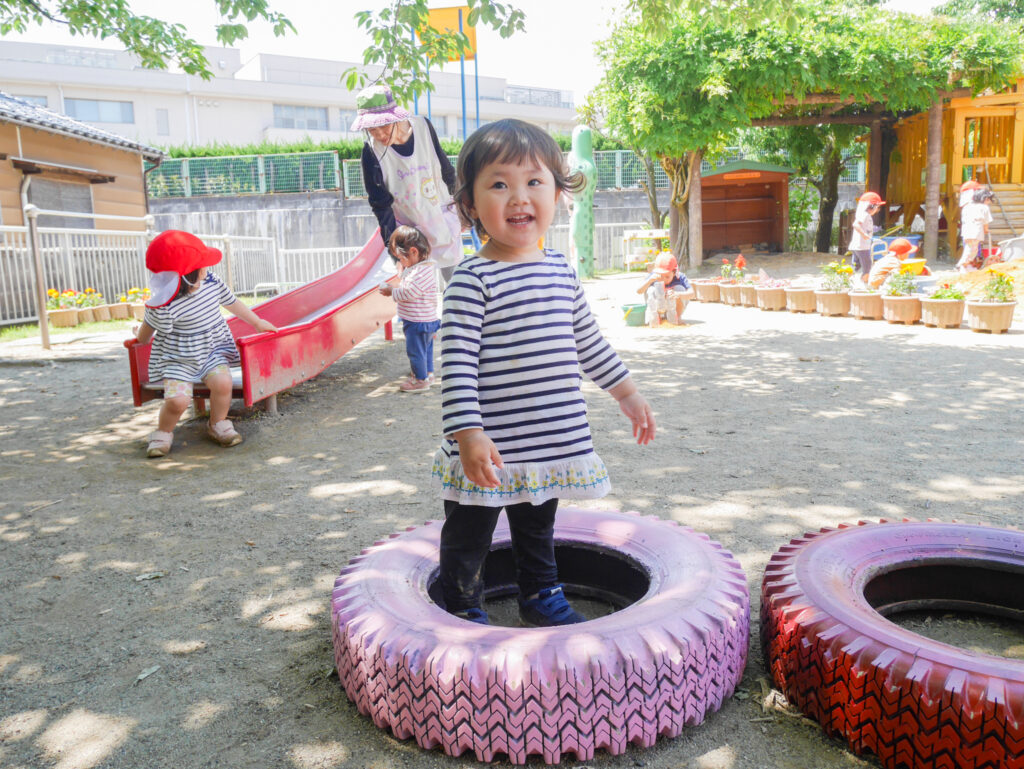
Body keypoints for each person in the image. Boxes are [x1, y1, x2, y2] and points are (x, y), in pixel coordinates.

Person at [432, 119, 656, 627]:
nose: (519, 197)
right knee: (471, 529)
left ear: (558, 192)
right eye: (499, 184)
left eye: (534, 182)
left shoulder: (559, 269)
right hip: (490, 444)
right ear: (470, 206)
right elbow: (458, 366)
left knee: (538, 525)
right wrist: (468, 434)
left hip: (548, 440)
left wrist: (628, 392)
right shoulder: (473, 279)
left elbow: (588, 342)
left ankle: (541, 593)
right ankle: (462, 600)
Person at [128, 230, 277, 458]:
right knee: (178, 400)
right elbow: (146, 333)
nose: (206, 268)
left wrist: (257, 322)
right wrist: (139, 337)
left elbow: (232, 303)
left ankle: (218, 423)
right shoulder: (162, 306)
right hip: (178, 359)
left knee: (223, 383)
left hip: (212, 351)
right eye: (202, 265)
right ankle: (163, 432)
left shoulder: (211, 282)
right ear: (187, 276)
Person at [352, 84, 463, 283]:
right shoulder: (371, 152)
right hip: (410, 235)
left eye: (383, 126)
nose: (379, 135)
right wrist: (395, 252)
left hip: (441, 219)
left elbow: (445, 168)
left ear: (396, 117)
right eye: (371, 129)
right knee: (415, 293)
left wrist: (462, 207)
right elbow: (380, 204)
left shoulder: (423, 127)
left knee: (456, 286)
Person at [378, 225, 440, 393]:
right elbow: (408, 284)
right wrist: (401, 272)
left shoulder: (420, 271)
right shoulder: (420, 268)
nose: (400, 262)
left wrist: (392, 291)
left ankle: (420, 380)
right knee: (425, 350)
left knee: (415, 352)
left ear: (413, 251)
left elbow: (410, 292)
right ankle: (427, 374)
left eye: (401, 258)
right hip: (425, 320)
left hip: (417, 322)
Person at [636, 251, 693, 326]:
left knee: (680, 288)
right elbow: (639, 291)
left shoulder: (680, 277)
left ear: (674, 272)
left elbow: (691, 293)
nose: (664, 280)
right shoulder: (654, 276)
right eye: (661, 276)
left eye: (667, 277)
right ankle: (656, 318)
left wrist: (678, 294)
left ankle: (677, 317)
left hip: (673, 308)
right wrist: (649, 281)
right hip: (659, 307)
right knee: (650, 289)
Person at [849, 191, 883, 285]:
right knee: (867, 268)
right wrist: (864, 234)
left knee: (855, 266)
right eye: (877, 207)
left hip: (857, 246)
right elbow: (855, 224)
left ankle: (845, 280)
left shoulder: (863, 214)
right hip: (862, 247)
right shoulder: (865, 214)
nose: (878, 210)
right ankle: (865, 285)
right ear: (872, 206)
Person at [957, 187, 994, 273]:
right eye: (988, 200)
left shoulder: (967, 206)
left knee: (971, 248)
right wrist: (986, 230)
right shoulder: (984, 208)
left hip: (966, 230)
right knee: (971, 250)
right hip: (976, 231)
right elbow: (986, 221)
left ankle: (966, 266)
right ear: (985, 199)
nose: (989, 202)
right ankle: (962, 265)